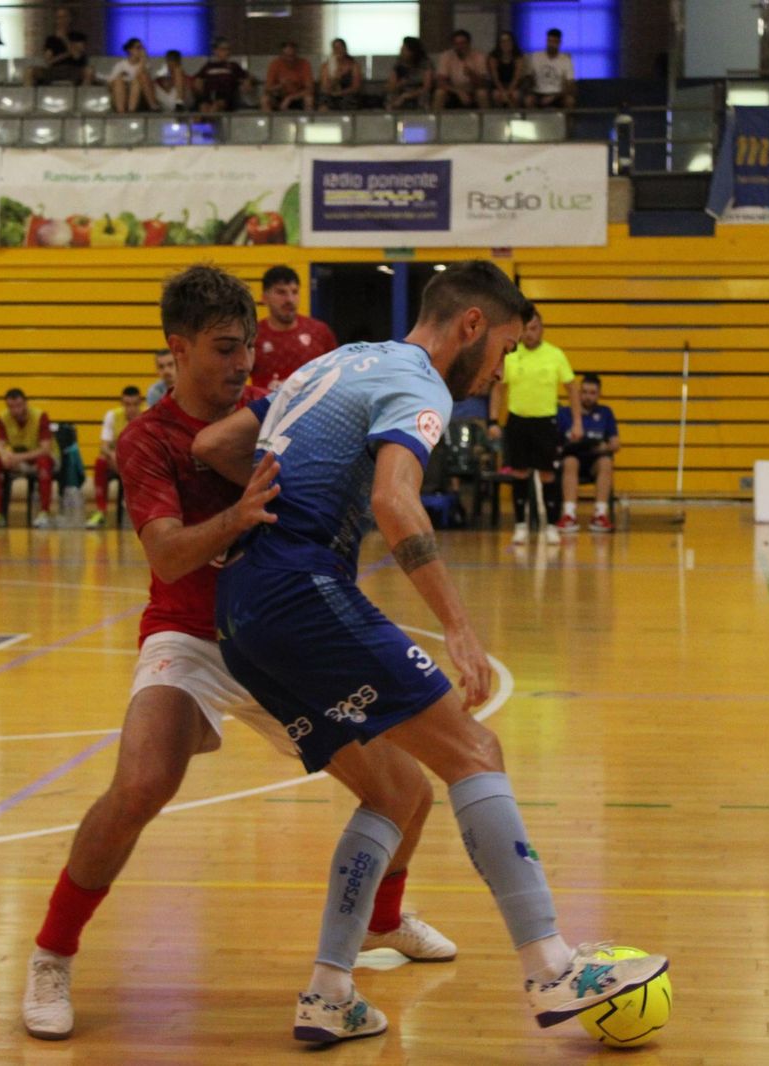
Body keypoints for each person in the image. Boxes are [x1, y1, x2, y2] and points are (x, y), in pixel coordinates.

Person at [195, 261, 668, 1044]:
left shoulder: (336, 360)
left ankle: (328, 992)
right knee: (475, 750)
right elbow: (393, 498)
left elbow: (215, 442)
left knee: (395, 793)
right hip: (298, 589)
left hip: (243, 612)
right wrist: (459, 627)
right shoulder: (421, 383)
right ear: (474, 327)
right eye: (509, 348)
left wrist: (270, 503)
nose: (504, 368)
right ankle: (552, 964)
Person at [21, 265, 456, 1042]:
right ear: (177, 349)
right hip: (191, 635)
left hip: (281, 636)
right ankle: (52, 954)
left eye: (248, 347)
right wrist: (239, 517)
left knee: (406, 790)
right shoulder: (149, 440)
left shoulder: (280, 409)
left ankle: (385, 922)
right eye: (224, 350)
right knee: (141, 783)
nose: (241, 365)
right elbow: (168, 557)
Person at [489, 303, 579, 545]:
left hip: (545, 422)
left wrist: (577, 422)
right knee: (519, 473)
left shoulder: (555, 355)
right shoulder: (511, 355)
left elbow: (572, 389)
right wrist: (493, 420)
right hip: (518, 421)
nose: (530, 333)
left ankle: (550, 525)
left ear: (542, 329)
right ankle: (520, 526)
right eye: (526, 329)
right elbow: (498, 389)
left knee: (548, 475)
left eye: (535, 328)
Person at [0, 388, 56, 528]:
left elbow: (45, 449)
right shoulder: (3, 417)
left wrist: (17, 457)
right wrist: (4, 455)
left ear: (26, 403)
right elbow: (0, 444)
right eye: (11, 407)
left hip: (43, 457)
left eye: (19, 406)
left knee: (44, 463)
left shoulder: (40, 416)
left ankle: (45, 513)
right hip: (19, 460)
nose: (15, 410)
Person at [253, 266, 338, 389]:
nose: (290, 299)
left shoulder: (319, 331)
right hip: (268, 407)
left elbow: (337, 373)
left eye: (294, 292)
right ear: (264, 298)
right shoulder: (254, 335)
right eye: (281, 292)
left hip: (314, 407)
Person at [556, 372, 619, 533]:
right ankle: (569, 515)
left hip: (594, 461)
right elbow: (555, 442)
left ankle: (600, 515)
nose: (587, 397)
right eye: (584, 392)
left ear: (599, 394)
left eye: (592, 393)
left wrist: (602, 447)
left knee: (606, 462)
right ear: (578, 393)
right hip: (571, 459)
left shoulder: (606, 413)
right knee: (571, 462)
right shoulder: (564, 413)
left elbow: (615, 443)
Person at [86, 384, 144, 528]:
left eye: (135, 405)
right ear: (122, 403)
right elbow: (104, 446)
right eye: (127, 404)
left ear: (140, 404)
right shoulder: (112, 416)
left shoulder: (148, 417)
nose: (131, 409)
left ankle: (142, 511)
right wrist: (113, 455)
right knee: (100, 462)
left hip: (140, 463)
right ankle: (101, 511)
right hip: (118, 461)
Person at [27, 8, 94, 87]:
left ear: (70, 19)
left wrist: (64, 38)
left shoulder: (79, 37)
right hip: (55, 70)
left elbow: (77, 56)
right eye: (58, 18)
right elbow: (49, 61)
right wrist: (68, 53)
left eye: (64, 17)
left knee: (89, 71)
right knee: (30, 71)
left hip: (74, 69)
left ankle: (83, 97)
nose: (61, 20)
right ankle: (27, 97)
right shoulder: (51, 39)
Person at [435, 29, 489, 110]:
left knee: (482, 93)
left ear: (469, 43)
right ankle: (436, 121)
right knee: (440, 93)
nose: (460, 46)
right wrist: (458, 92)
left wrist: (472, 75)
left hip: (473, 90)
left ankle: (486, 120)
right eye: (457, 44)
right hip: (453, 90)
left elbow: (483, 83)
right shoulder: (446, 56)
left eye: (463, 43)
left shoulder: (479, 56)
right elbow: (440, 82)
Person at [194, 38, 249, 113]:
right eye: (223, 49)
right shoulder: (208, 66)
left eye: (228, 49)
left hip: (225, 96)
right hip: (208, 94)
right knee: (203, 107)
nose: (227, 52)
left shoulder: (233, 66)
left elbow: (246, 77)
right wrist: (198, 84)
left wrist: (246, 83)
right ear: (216, 51)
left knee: (215, 107)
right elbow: (199, 78)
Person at [527, 29, 575, 109]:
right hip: (538, 92)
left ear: (559, 43)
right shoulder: (536, 57)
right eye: (549, 41)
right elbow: (528, 77)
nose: (551, 44)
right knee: (529, 100)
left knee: (569, 101)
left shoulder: (565, 59)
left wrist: (554, 97)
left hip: (558, 94)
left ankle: (568, 121)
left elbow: (570, 84)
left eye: (554, 42)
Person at [108, 37, 158, 113]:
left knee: (137, 81)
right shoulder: (120, 65)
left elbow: (146, 80)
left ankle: (131, 111)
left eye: (142, 48)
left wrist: (143, 60)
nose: (141, 50)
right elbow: (110, 84)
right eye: (138, 48)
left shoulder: (146, 65)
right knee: (118, 81)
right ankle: (121, 112)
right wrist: (121, 78)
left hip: (140, 98)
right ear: (130, 50)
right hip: (122, 96)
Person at [263, 40, 314, 112]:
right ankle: (269, 121)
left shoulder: (304, 64)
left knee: (309, 99)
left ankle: (307, 121)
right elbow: (267, 89)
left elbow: (310, 89)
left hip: (297, 97)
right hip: (280, 96)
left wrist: (290, 98)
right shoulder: (275, 64)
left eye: (292, 56)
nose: (290, 59)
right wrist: (280, 85)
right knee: (265, 100)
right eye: (286, 56)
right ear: (281, 55)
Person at [387, 36, 433, 110]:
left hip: (418, 92)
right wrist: (399, 85)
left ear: (412, 52)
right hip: (402, 91)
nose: (401, 51)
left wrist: (407, 95)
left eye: (405, 49)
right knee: (391, 97)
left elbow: (426, 87)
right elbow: (391, 85)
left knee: (424, 97)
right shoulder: (398, 64)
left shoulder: (425, 64)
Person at [318, 38, 360, 111]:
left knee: (347, 101)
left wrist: (340, 93)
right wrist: (335, 79)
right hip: (331, 94)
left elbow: (356, 87)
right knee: (324, 101)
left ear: (344, 49)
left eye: (340, 47)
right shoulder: (326, 66)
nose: (338, 50)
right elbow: (324, 87)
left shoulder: (353, 65)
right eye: (335, 48)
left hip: (347, 94)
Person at [489, 31, 527, 108]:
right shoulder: (493, 57)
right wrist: (502, 91)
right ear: (499, 43)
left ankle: (514, 116)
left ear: (513, 42)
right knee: (496, 95)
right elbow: (495, 77)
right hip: (499, 85)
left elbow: (517, 77)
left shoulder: (518, 56)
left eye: (508, 41)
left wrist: (508, 92)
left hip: (514, 85)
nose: (505, 43)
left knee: (515, 95)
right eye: (503, 41)